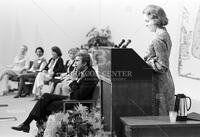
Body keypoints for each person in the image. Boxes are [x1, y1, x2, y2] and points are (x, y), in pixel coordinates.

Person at [11, 52, 99, 133]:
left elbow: (79, 96)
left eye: (77, 61)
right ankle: (29, 125)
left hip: (78, 103)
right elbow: (77, 92)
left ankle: (35, 127)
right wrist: (74, 80)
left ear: (84, 63)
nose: (74, 63)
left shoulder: (89, 76)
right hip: (73, 98)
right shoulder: (84, 71)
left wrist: (73, 81)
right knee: (45, 96)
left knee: (45, 105)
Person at [143, 5, 175, 115]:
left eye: (147, 21)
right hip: (165, 81)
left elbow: (163, 67)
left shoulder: (158, 38)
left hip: (160, 84)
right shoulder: (164, 33)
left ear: (156, 19)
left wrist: (147, 62)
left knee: (159, 118)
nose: (146, 24)